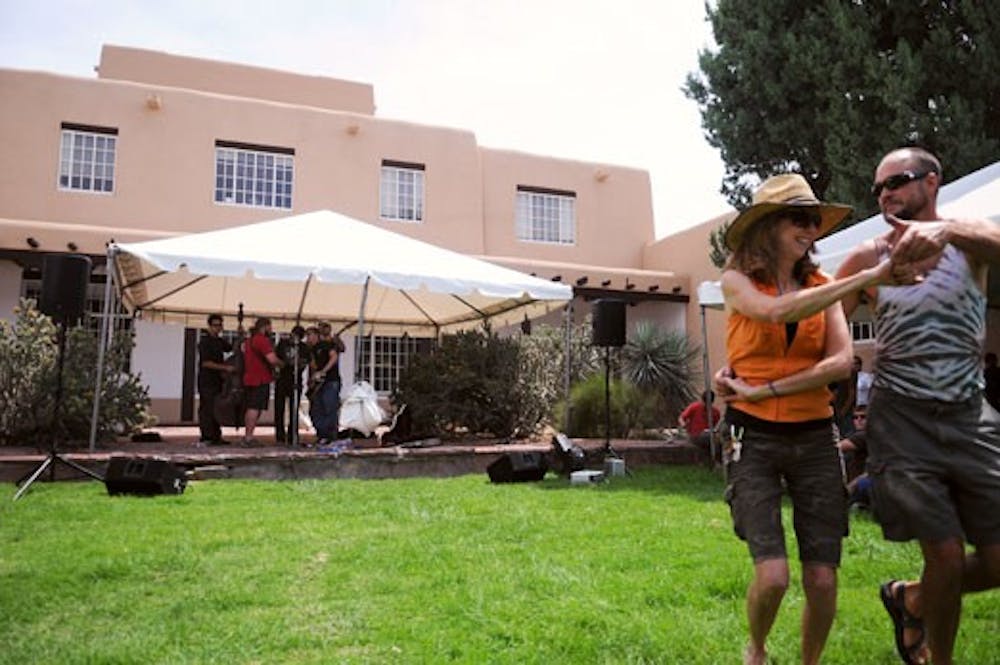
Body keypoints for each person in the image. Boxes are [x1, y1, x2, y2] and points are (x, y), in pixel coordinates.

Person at [715, 173, 897, 665]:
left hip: (817, 437)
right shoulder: (736, 282)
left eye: (814, 220)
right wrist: (864, 279)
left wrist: (767, 387)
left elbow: (841, 364)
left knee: (821, 577)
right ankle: (757, 649)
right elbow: (772, 313)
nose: (810, 228)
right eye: (799, 218)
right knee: (773, 576)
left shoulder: (824, 288)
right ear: (768, 226)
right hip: (753, 435)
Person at [835, 146, 1000, 665]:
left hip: (970, 414)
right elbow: (828, 326)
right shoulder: (869, 256)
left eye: (898, 181)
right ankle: (939, 658)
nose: (886, 194)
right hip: (901, 418)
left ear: (933, 182)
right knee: (946, 554)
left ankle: (910, 598)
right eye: (880, 188)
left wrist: (948, 232)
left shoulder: (970, 243)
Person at [242, 317, 282, 447]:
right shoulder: (262, 340)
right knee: (254, 407)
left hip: (249, 377)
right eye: (270, 327)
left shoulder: (248, 341)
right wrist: (282, 364)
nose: (271, 330)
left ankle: (249, 435)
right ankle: (248, 437)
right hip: (259, 378)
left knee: (253, 407)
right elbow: (272, 359)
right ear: (264, 327)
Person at [196, 313, 235, 445]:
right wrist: (225, 368)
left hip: (218, 381)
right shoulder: (204, 342)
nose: (218, 328)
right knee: (206, 408)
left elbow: (231, 348)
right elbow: (206, 363)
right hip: (206, 380)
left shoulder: (219, 341)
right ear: (209, 326)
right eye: (215, 325)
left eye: (220, 325)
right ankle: (206, 436)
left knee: (216, 408)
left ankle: (216, 436)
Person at [309, 322, 345, 446]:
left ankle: (331, 435)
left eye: (311, 335)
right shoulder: (314, 348)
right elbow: (313, 364)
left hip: (331, 381)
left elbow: (334, 357)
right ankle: (322, 434)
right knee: (318, 408)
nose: (308, 338)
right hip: (319, 383)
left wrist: (323, 371)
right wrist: (313, 378)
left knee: (329, 407)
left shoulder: (328, 344)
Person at [274, 325, 308, 445]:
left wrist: (298, 363)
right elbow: (276, 359)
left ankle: (293, 434)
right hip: (282, 379)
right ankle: (279, 436)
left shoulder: (303, 347)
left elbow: (305, 362)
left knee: (294, 409)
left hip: (295, 379)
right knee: (279, 408)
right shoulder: (283, 344)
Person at [836, 406, 871, 510]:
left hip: (863, 483)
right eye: (855, 417)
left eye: (863, 417)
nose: (858, 420)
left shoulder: (865, 435)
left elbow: (837, 448)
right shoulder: (857, 435)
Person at [678, 390, 721, 462]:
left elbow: (715, 426)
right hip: (695, 435)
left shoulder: (715, 412)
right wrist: (684, 424)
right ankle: (715, 461)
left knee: (717, 440)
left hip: (708, 435)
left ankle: (713, 461)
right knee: (713, 441)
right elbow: (681, 418)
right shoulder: (695, 407)